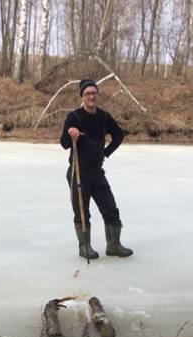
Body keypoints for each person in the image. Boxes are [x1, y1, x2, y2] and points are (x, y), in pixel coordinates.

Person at [60, 79, 133, 260]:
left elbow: (119, 135)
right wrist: (71, 134)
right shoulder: (74, 117)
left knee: (110, 209)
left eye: (94, 93)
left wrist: (105, 153)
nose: (91, 96)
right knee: (82, 211)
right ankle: (85, 247)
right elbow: (63, 143)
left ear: (98, 95)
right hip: (79, 172)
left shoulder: (104, 116)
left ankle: (114, 246)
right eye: (87, 94)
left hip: (97, 172)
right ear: (82, 97)